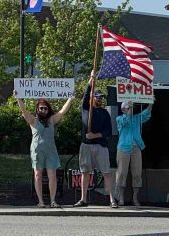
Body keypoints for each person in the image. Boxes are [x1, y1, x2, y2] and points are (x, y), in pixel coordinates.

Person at [16, 92, 74, 208]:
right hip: (37, 151)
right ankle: (41, 201)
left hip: (51, 151)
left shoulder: (51, 120)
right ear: (37, 109)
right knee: (38, 174)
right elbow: (24, 110)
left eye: (45, 108)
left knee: (52, 175)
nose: (43, 110)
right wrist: (18, 98)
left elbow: (62, 111)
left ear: (48, 109)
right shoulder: (33, 120)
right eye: (41, 108)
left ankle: (53, 201)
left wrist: (70, 98)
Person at [75, 72, 115, 208]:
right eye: (97, 97)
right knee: (85, 172)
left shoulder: (105, 113)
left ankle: (112, 200)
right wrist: (91, 79)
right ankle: (83, 199)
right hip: (86, 146)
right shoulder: (86, 109)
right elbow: (86, 95)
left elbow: (108, 131)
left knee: (106, 172)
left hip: (100, 146)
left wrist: (95, 135)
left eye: (101, 97)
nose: (100, 99)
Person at [115, 100, 153, 208]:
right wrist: (130, 109)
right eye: (128, 108)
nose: (130, 109)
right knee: (122, 173)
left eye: (130, 108)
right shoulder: (119, 118)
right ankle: (121, 197)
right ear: (123, 109)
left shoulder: (136, 118)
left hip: (136, 148)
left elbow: (146, 114)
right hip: (123, 148)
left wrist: (150, 103)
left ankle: (135, 197)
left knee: (137, 173)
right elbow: (126, 122)